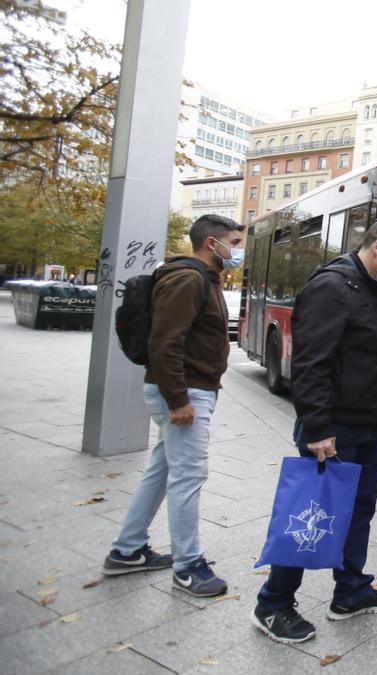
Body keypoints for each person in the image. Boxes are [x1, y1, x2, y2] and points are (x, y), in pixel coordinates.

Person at [252, 218, 377, 643]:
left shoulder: (376, 290)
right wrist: (318, 427)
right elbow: (311, 363)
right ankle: (273, 605)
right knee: (311, 515)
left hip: (368, 428)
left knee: (358, 513)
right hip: (334, 430)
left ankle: (351, 592)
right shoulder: (332, 287)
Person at [101, 215, 245, 597]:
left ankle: (127, 550)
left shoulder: (205, 278)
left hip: (190, 390)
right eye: (235, 241)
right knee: (187, 477)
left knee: (161, 471)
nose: (238, 249)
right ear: (212, 244)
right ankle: (188, 566)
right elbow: (165, 343)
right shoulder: (188, 279)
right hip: (185, 393)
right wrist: (177, 399)